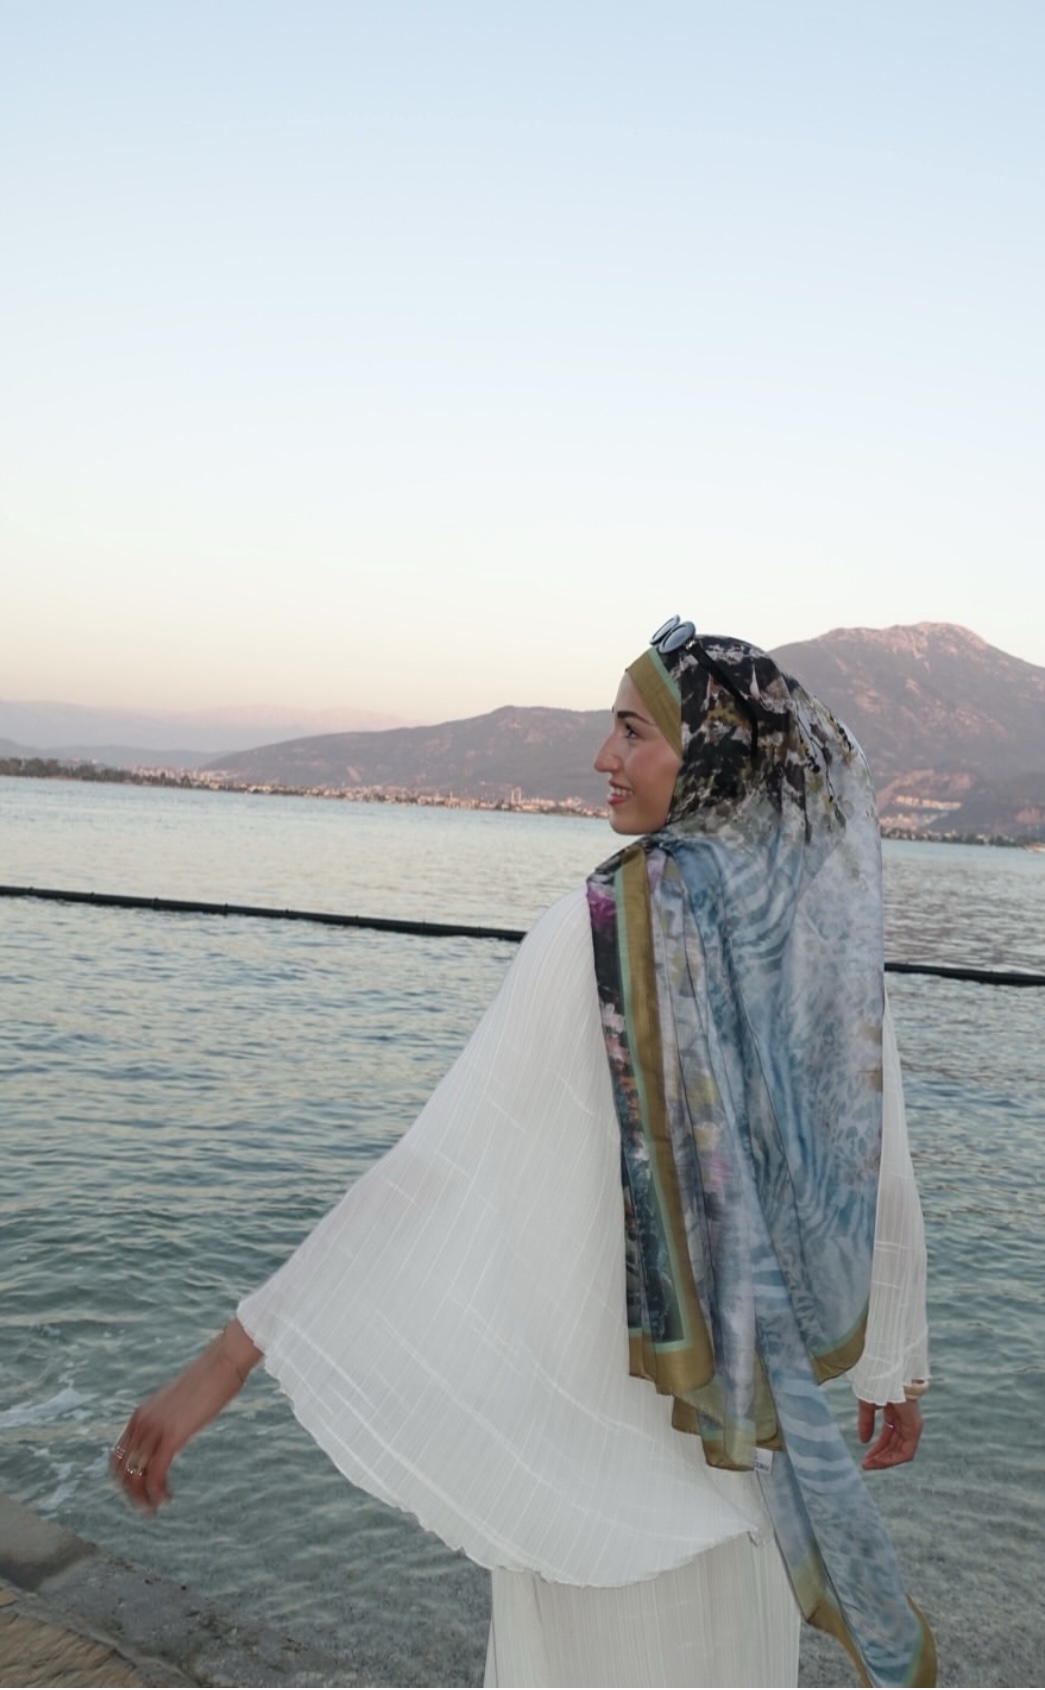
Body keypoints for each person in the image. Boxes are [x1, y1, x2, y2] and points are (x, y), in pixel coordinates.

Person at [112, 619, 933, 1688]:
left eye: (632, 732)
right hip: (743, 1448)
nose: (602, 757)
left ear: (711, 758)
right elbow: (871, 1163)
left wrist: (229, 1358)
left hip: (599, 1463)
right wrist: (890, 1360)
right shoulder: (808, 943)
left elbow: (443, 1167)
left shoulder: (604, 931)